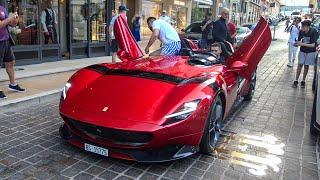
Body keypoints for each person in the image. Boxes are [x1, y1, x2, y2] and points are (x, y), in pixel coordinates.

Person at [0, 5, 25, 99]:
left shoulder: (2, 8)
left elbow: (11, 24)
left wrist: (15, 19)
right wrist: (9, 18)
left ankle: (12, 84)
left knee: (11, 62)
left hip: (6, 40)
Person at [292, 20, 318, 88]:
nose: (302, 28)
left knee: (306, 66)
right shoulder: (301, 31)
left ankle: (303, 81)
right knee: (300, 64)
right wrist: (296, 44)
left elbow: (313, 45)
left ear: (308, 27)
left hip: (311, 51)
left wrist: (302, 44)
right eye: (302, 26)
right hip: (302, 50)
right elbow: (299, 41)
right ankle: (296, 80)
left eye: (304, 27)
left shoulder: (313, 31)